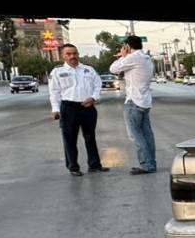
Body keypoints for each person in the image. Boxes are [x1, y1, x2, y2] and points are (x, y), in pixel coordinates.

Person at [48, 44, 107, 177]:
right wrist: (55, 109)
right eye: (68, 54)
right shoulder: (57, 72)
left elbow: (98, 85)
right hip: (69, 107)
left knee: (90, 137)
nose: (72, 56)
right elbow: (54, 92)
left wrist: (93, 98)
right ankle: (73, 167)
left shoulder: (88, 69)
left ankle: (94, 165)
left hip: (88, 107)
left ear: (78, 54)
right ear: (62, 56)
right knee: (70, 139)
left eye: (75, 53)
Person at [110, 36, 157, 175]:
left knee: (136, 135)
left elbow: (113, 69)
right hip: (144, 101)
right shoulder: (146, 58)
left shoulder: (133, 58)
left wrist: (122, 56)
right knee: (147, 135)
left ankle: (146, 165)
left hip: (134, 102)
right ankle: (151, 163)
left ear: (128, 46)